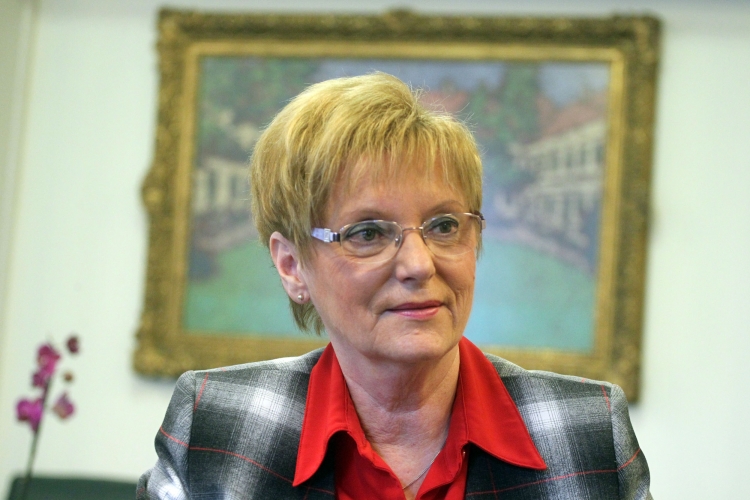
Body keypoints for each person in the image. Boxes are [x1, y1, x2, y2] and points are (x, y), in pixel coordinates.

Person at [138, 73, 651, 499]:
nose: (419, 265)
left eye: (444, 226)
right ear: (292, 266)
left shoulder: (588, 438)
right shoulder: (214, 428)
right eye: (368, 233)